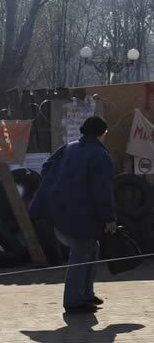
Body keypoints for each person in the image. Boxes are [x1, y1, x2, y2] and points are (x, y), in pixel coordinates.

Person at [30, 116, 117, 313]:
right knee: (80, 253)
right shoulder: (98, 154)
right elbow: (102, 189)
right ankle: (73, 301)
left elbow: (46, 169)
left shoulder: (69, 148)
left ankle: (86, 293)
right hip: (82, 213)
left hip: (64, 210)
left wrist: (61, 188)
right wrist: (109, 218)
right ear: (103, 133)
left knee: (91, 248)